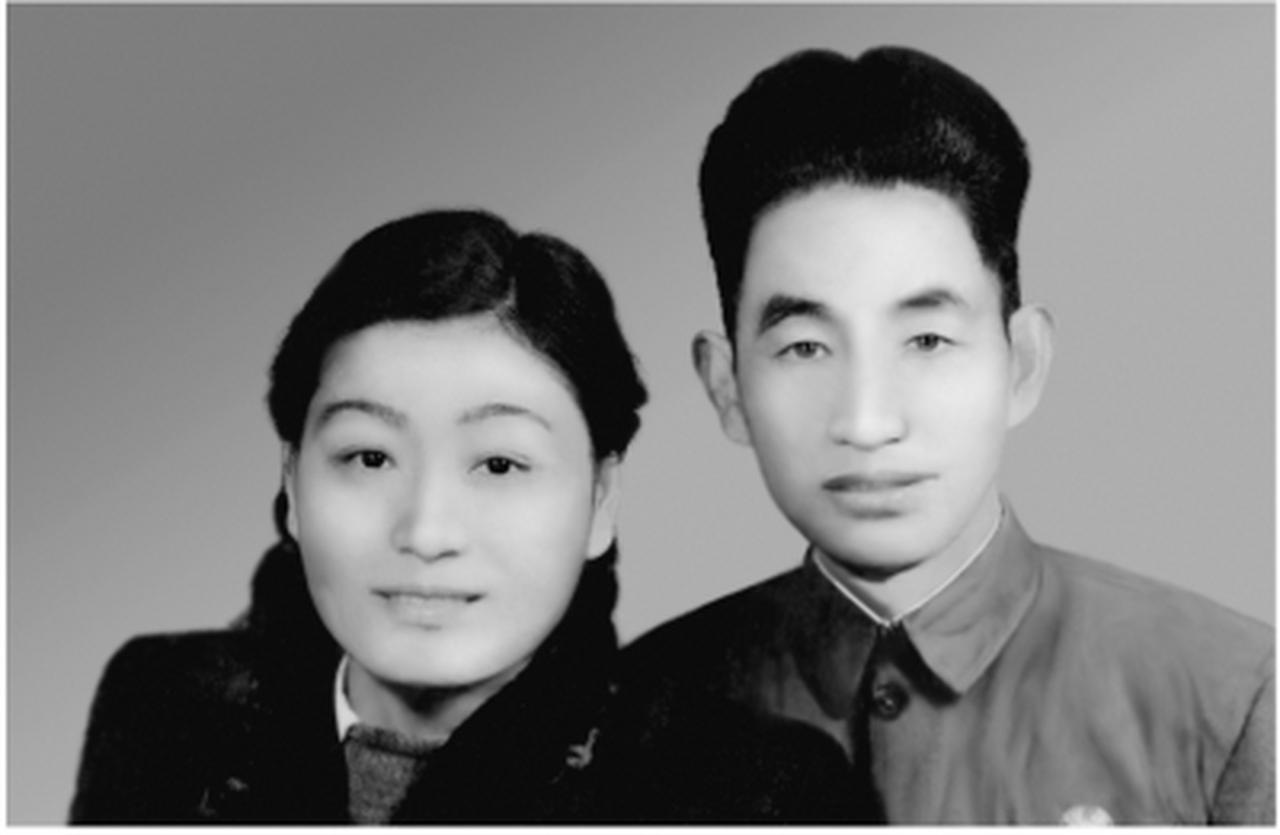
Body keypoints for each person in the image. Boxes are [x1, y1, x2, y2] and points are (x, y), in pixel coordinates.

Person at [623, 46, 1275, 824]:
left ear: (1022, 363)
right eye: (805, 347)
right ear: (727, 386)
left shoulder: (1231, 696)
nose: (868, 422)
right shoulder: (632, 708)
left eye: (927, 340)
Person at [69, 208, 857, 823]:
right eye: (368, 457)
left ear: (600, 499)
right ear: (292, 483)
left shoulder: (746, 794)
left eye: (500, 464)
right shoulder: (165, 710)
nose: (426, 531)